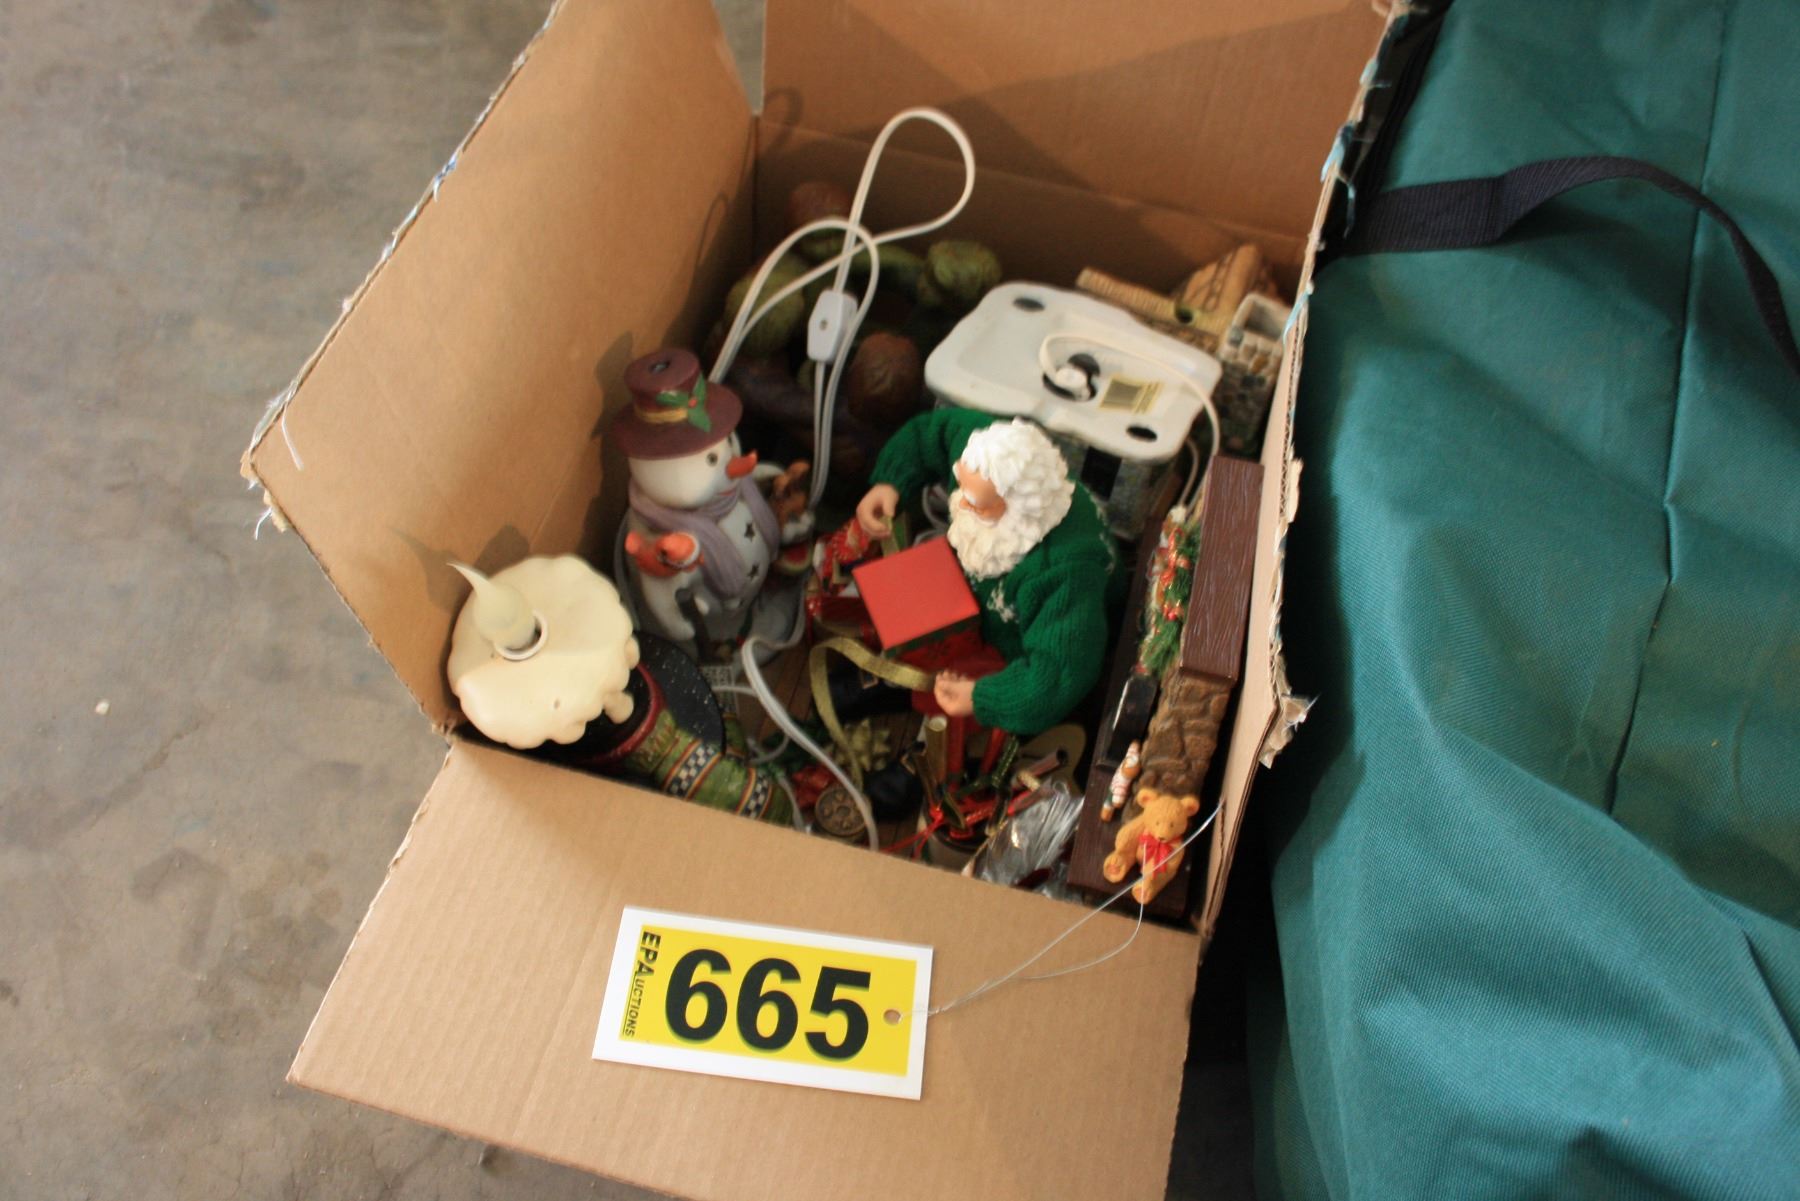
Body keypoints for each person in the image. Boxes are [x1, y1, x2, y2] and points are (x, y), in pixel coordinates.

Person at [857, 409, 1119, 734]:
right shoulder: (985, 462)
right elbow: (938, 430)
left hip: (1013, 648)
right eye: (961, 487)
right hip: (961, 600)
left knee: (948, 708)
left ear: (1018, 507)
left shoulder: (1064, 571)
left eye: (976, 503)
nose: (961, 505)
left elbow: (1059, 674)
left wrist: (983, 697)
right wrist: (892, 481)